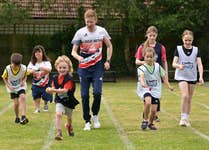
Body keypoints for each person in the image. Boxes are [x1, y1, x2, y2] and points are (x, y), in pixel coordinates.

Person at [71, 9, 113, 131]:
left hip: (97, 68)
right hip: (84, 69)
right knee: (84, 95)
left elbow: (109, 46)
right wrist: (78, 57)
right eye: (87, 22)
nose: (89, 24)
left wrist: (108, 60)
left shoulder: (101, 31)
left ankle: (95, 115)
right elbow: (73, 51)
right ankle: (87, 121)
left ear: (95, 20)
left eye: (91, 22)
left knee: (97, 93)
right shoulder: (80, 33)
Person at [135, 25, 168, 122]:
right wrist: (144, 63)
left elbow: (164, 61)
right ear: (147, 35)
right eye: (150, 35)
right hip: (145, 75)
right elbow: (137, 61)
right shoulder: (142, 47)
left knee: (156, 94)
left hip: (156, 75)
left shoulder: (161, 47)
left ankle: (155, 114)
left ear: (156, 35)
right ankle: (147, 116)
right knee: (147, 96)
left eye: (154, 35)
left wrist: (165, 73)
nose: (152, 37)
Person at [172, 29, 204, 127]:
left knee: (189, 98)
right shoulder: (178, 49)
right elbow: (173, 63)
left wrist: (201, 77)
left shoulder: (196, 50)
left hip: (192, 76)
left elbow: (199, 64)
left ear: (192, 40)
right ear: (182, 39)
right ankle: (182, 118)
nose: (187, 42)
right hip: (182, 76)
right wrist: (179, 66)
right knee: (185, 95)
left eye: (189, 40)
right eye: (186, 40)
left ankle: (186, 118)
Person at [137, 47, 173, 130]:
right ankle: (145, 120)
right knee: (148, 102)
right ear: (144, 57)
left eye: (151, 57)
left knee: (154, 110)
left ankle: (150, 123)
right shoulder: (142, 68)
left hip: (155, 89)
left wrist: (169, 85)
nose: (149, 59)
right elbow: (141, 77)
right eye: (147, 57)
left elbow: (164, 77)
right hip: (145, 88)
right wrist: (143, 83)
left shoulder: (157, 66)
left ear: (154, 57)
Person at [46, 55, 79, 140]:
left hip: (69, 101)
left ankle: (69, 126)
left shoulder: (69, 78)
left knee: (69, 117)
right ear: (57, 68)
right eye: (60, 67)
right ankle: (59, 132)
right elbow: (53, 87)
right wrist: (49, 89)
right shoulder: (55, 77)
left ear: (68, 68)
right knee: (58, 114)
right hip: (59, 100)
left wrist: (53, 90)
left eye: (64, 67)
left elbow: (64, 90)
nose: (62, 69)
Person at [2, 53, 29, 124]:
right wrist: (8, 85)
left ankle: (23, 116)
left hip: (20, 86)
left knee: (23, 97)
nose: (16, 67)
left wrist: (24, 81)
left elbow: (26, 75)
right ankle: (17, 117)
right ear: (11, 62)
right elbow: (4, 77)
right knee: (16, 104)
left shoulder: (23, 68)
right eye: (14, 65)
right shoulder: (7, 69)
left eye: (17, 65)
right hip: (12, 88)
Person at [27, 45, 52, 113]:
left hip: (45, 83)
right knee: (36, 96)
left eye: (39, 52)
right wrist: (34, 71)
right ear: (34, 54)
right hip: (35, 83)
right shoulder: (32, 63)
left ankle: (45, 104)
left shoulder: (46, 62)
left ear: (42, 53)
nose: (37, 53)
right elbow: (28, 71)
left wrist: (42, 68)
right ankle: (37, 109)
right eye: (36, 52)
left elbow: (49, 69)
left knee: (46, 96)